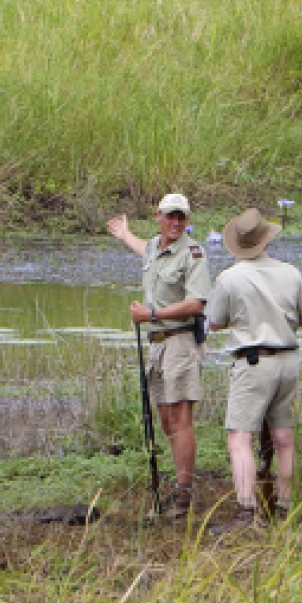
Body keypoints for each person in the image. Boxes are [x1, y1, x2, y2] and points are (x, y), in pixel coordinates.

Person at [202, 207, 302, 528]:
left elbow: (214, 322)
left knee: (239, 438)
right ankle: (284, 506)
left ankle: (246, 511)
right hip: (288, 360)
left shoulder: (230, 277)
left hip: (253, 362)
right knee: (283, 438)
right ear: (265, 238)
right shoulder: (291, 272)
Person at [106, 193, 216, 518]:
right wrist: (125, 235)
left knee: (181, 418)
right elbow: (144, 250)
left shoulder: (194, 253)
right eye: (170, 216)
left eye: (181, 217)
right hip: (158, 344)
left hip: (181, 341)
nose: (176, 222)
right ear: (158, 216)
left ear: (187, 219)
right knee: (167, 419)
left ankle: (184, 496)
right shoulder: (155, 246)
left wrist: (152, 313)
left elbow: (197, 303)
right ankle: (180, 480)